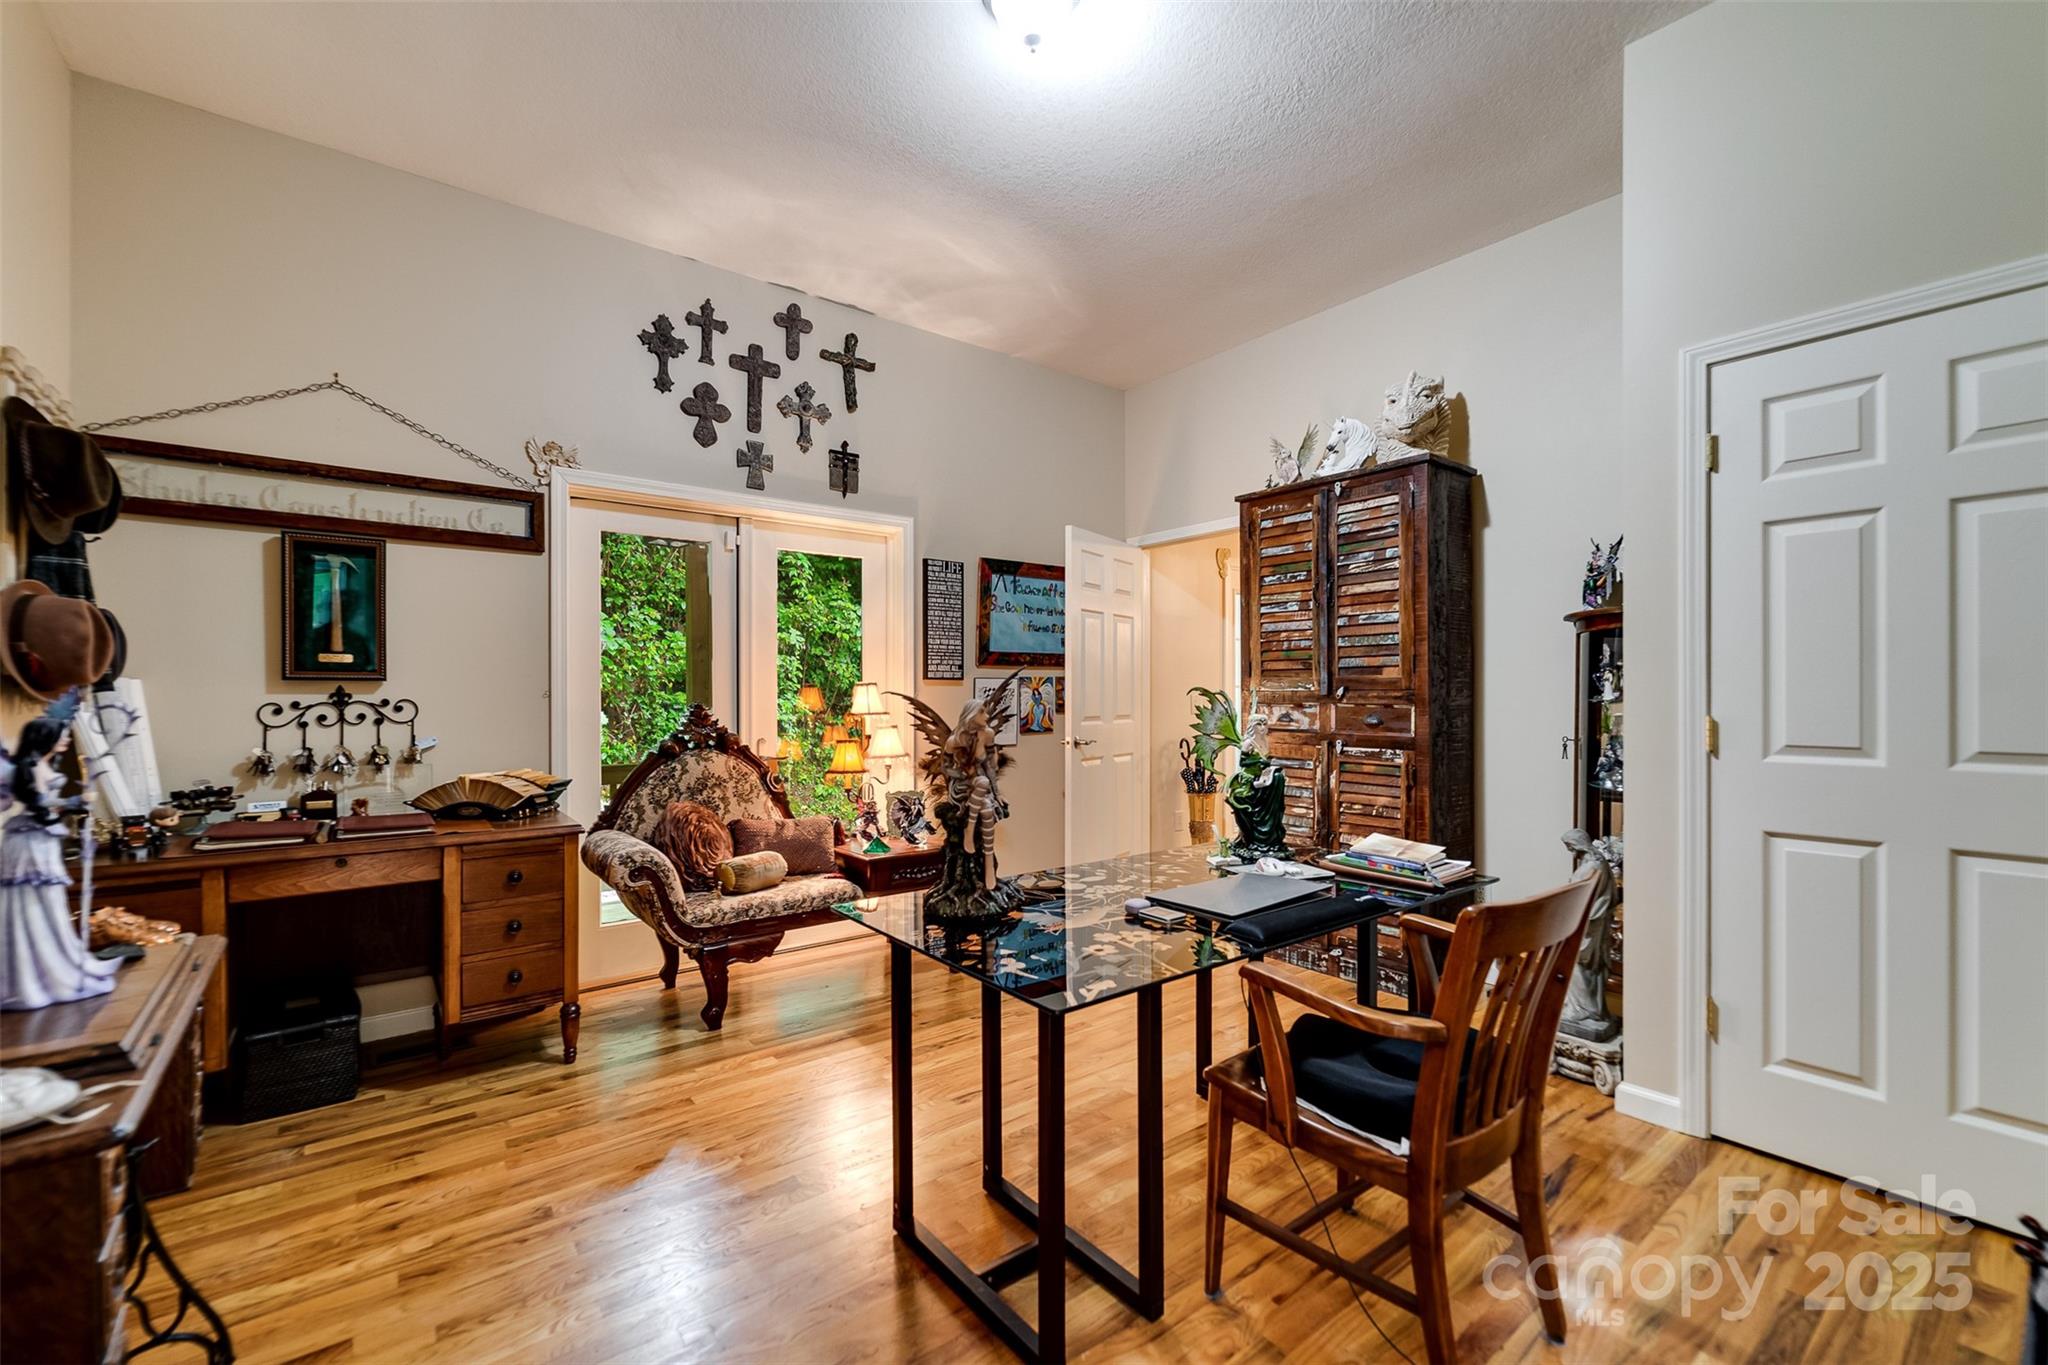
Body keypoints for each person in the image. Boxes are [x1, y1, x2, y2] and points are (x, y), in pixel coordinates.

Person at [1, 691, 122, 1010]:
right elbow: (38, 801)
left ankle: (55, 960)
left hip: (39, 839)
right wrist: (73, 802)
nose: (66, 739)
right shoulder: (25, 769)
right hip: (29, 844)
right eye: (63, 734)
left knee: (48, 902)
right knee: (32, 902)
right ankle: (32, 973)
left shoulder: (38, 764)